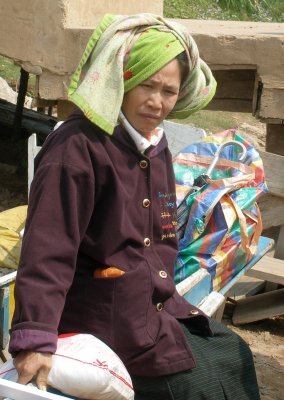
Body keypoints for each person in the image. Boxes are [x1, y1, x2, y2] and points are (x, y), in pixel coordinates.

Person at [9, 13, 260, 400]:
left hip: (148, 309)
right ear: (120, 80)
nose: (157, 103)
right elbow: (48, 250)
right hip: (102, 323)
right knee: (199, 387)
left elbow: (159, 240)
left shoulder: (152, 145)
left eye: (169, 92)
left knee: (233, 351)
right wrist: (36, 337)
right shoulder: (77, 149)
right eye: (146, 86)